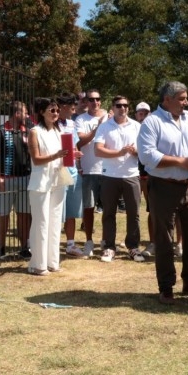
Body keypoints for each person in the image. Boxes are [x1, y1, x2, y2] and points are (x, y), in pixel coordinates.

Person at [137, 81, 188, 305]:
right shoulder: (152, 122)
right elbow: (147, 156)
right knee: (164, 238)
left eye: (186, 98)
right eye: (181, 99)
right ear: (167, 100)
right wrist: (181, 161)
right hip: (163, 185)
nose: (186, 103)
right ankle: (166, 286)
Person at [94, 95, 145, 263]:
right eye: (118, 105)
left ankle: (133, 247)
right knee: (109, 213)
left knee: (134, 213)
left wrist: (134, 152)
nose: (122, 108)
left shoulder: (137, 126)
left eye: (125, 105)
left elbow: (145, 151)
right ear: (113, 107)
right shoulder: (104, 127)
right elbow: (98, 151)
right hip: (110, 175)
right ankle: (109, 247)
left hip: (131, 175)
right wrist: (120, 152)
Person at [26, 98, 71, 275]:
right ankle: (38, 264)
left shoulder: (59, 132)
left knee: (54, 221)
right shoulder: (34, 132)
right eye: (52, 110)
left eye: (57, 111)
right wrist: (56, 155)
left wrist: (72, 155)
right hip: (40, 182)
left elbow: (63, 156)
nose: (56, 114)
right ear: (42, 112)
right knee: (41, 222)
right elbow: (36, 159)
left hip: (57, 180)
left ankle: (53, 261)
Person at [0, 101, 33, 257]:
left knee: (23, 214)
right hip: (5, 179)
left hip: (24, 179)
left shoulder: (27, 132)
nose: (27, 116)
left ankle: (24, 247)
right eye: (25, 112)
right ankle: (1, 247)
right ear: (17, 114)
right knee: (3, 214)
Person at [75, 88, 108, 257]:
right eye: (91, 100)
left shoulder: (110, 118)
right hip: (88, 170)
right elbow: (80, 141)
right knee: (88, 207)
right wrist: (98, 128)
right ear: (86, 102)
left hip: (108, 170)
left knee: (108, 208)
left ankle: (105, 240)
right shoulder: (81, 119)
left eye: (97, 99)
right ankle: (89, 241)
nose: (95, 102)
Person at [56, 93, 85, 257]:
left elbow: (73, 146)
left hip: (73, 172)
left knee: (72, 211)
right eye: (72, 106)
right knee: (57, 210)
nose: (74, 109)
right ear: (64, 107)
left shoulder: (72, 124)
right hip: (58, 173)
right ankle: (52, 244)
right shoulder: (50, 125)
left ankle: (70, 244)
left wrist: (75, 154)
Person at [135, 102, 156, 257]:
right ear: (136, 115)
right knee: (151, 209)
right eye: (140, 113)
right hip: (140, 176)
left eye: (146, 112)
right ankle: (153, 242)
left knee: (172, 211)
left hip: (155, 174)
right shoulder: (133, 128)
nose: (143, 115)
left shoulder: (155, 128)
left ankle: (178, 244)